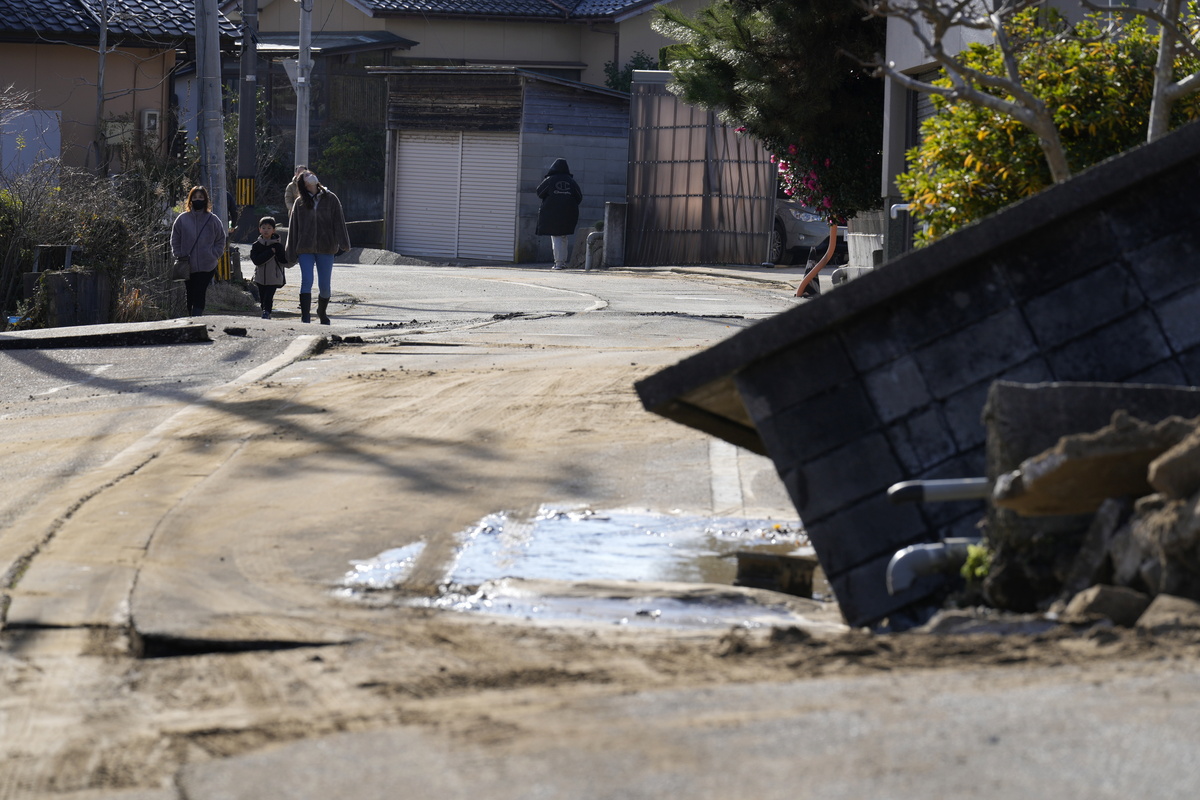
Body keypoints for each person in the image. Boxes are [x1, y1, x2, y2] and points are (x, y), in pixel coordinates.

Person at [285, 170, 350, 325]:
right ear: (304, 184)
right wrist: (290, 252)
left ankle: (322, 311)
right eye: (306, 176)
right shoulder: (299, 202)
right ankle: (305, 315)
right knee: (307, 280)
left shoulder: (331, 198)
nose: (311, 176)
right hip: (305, 247)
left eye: (310, 174)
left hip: (326, 247)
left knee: (325, 286)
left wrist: (344, 243)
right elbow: (293, 228)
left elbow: (339, 222)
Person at [170, 185, 226, 316]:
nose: (198, 200)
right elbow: (175, 238)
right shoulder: (182, 219)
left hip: (207, 264)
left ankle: (196, 318)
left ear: (206, 200)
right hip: (187, 264)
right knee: (189, 293)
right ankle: (191, 317)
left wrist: (214, 254)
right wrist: (178, 254)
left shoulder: (213, 219)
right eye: (195, 197)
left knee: (200, 292)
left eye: (201, 197)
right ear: (190, 200)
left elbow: (221, 239)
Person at [535, 158, 583, 270]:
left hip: (552, 214)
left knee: (556, 237)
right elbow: (579, 197)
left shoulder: (550, 180)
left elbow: (539, 192)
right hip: (568, 214)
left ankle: (558, 263)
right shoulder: (571, 182)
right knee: (563, 236)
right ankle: (562, 262)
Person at [250, 216, 289, 319]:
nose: (266, 230)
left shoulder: (278, 246)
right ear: (259, 229)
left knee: (269, 296)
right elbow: (256, 261)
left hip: (274, 277)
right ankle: (265, 311)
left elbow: (283, 260)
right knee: (262, 297)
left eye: (268, 228)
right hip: (260, 277)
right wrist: (270, 252)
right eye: (263, 228)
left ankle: (267, 312)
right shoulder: (256, 245)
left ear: (273, 230)